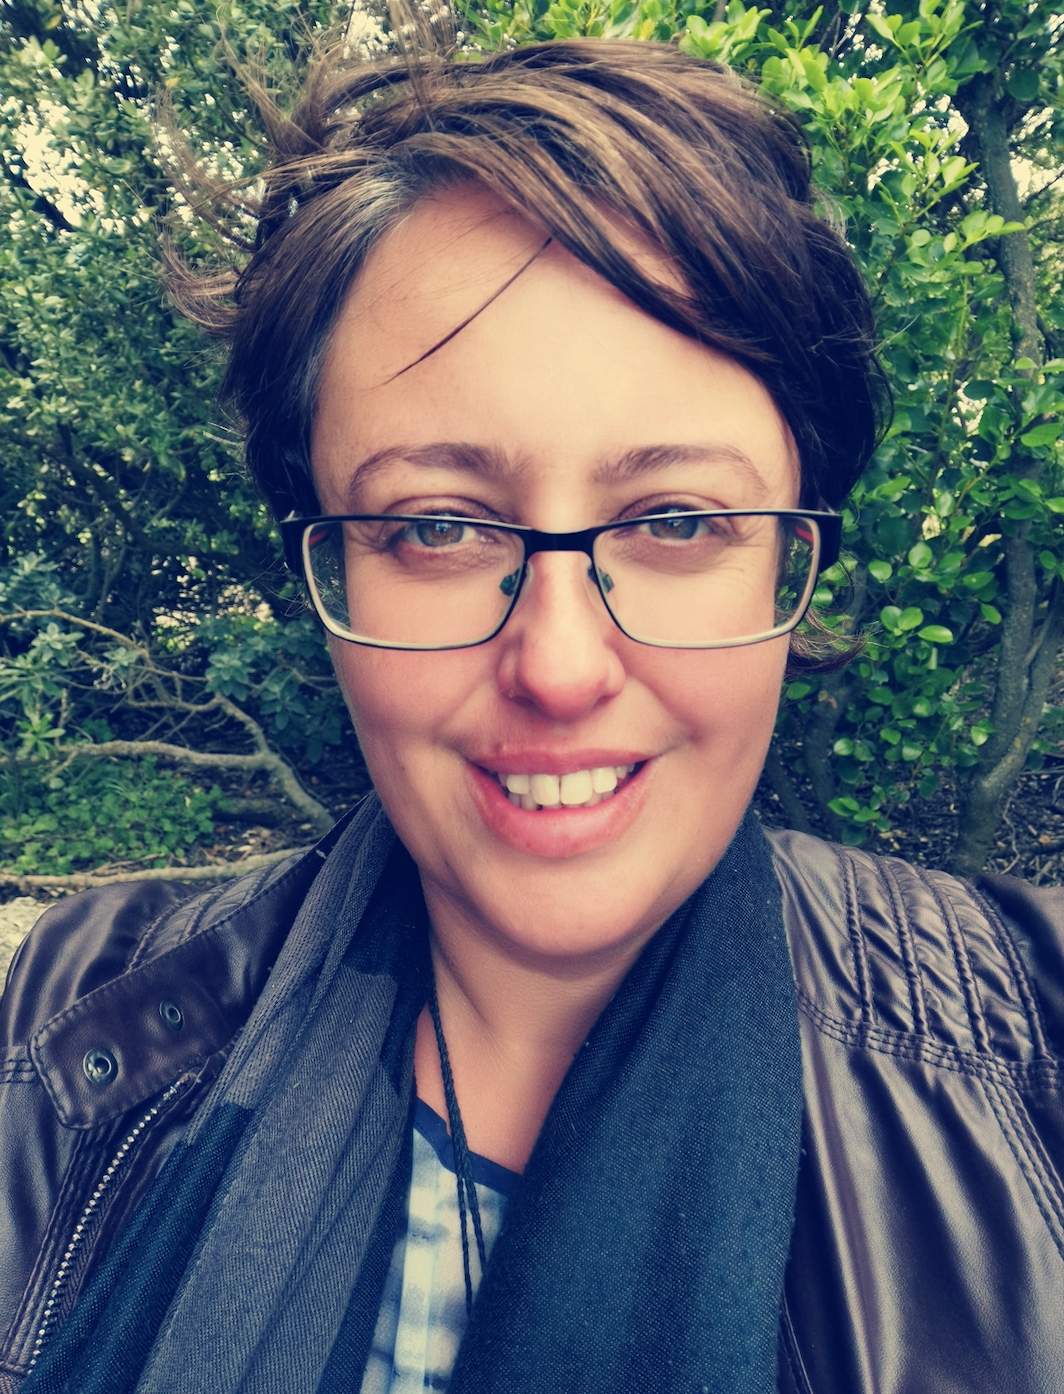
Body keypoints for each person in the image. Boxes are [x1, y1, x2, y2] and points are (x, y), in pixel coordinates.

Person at [2, 31, 1064, 1394]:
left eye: (678, 519)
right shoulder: (82, 1009)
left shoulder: (1026, 1061)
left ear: (795, 560)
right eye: (437, 524)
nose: (558, 668)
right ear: (325, 565)